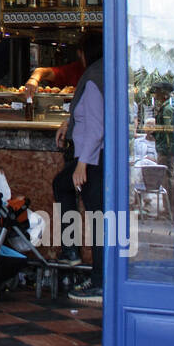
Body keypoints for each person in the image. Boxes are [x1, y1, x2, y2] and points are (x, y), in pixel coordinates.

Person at [50, 35, 104, 303]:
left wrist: (82, 163)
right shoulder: (104, 71)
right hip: (94, 158)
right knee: (63, 186)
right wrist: (68, 123)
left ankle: (99, 282)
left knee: (97, 219)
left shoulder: (93, 78)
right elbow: (88, 118)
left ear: (84, 53)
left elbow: (95, 127)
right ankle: (72, 252)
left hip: (92, 160)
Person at [144, 81, 174, 217]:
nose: (155, 95)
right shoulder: (170, 106)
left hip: (168, 151)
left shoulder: (169, 108)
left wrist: (155, 133)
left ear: (164, 93)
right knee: (167, 180)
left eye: (157, 92)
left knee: (169, 180)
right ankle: (170, 209)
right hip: (169, 149)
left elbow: (170, 130)